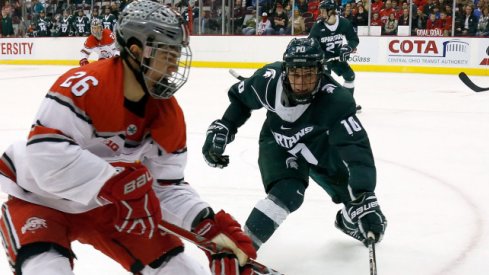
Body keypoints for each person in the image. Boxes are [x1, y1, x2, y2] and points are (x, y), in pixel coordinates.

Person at [0, 1, 256, 275]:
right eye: (166, 54)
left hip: (112, 208)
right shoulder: (85, 86)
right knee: (47, 270)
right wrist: (112, 180)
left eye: (177, 54)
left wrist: (207, 225)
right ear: (135, 51)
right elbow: (45, 156)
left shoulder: (168, 114)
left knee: (180, 270)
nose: (173, 67)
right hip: (39, 199)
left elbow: (166, 185)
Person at [202, 37, 387, 253]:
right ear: (285, 71)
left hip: (319, 146)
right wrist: (225, 126)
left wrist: (365, 196)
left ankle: (346, 221)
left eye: (308, 74)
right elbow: (241, 100)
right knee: (288, 192)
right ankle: (241, 251)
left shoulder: (335, 100)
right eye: (295, 74)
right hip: (278, 142)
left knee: (359, 206)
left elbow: (356, 149)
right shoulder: (267, 81)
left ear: (321, 72)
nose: (300, 83)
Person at [308, 0, 361, 110]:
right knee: (326, 83)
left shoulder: (344, 23)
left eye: (323, 11)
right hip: (323, 60)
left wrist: (348, 48)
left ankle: (347, 104)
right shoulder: (317, 26)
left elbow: (353, 39)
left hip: (337, 57)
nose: (321, 13)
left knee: (350, 76)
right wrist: (319, 55)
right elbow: (311, 44)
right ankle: (323, 107)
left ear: (331, 11)